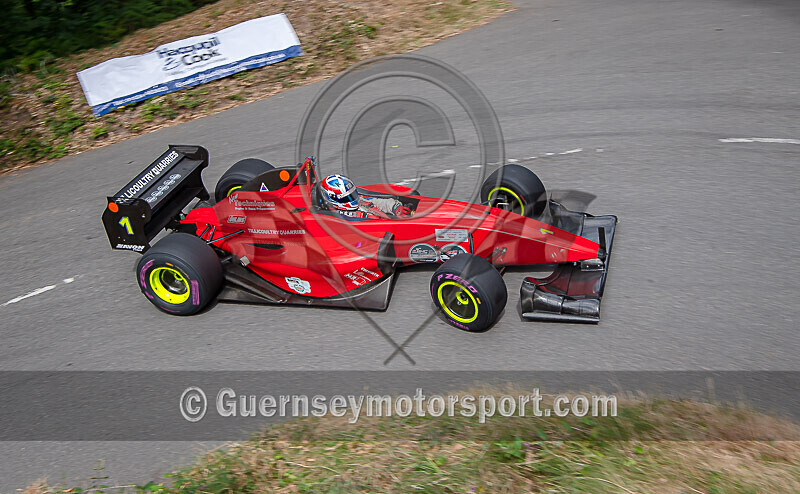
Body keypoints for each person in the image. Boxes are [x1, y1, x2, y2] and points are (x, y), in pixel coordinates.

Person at [319, 174, 412, 219]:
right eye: (347, 197)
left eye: (352, 194)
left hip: (388, 221)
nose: (353, 198)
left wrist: (395, 207)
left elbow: (376, 201)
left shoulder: (359, 200)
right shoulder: (338, 218)